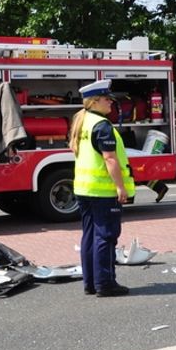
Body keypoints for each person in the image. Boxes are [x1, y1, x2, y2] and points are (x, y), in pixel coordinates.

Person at [69, 79, 135, 297]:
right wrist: (120, 187)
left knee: (89, 236)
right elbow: (110, 159)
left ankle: (91, 283)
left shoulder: (82, 120)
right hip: (103, 191)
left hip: (83, 189)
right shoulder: (102, 125)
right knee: (106, 237)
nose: (111, 103)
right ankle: (105, 284)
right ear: (95, 101)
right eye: (107, 99)